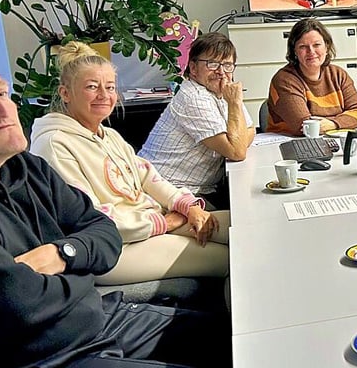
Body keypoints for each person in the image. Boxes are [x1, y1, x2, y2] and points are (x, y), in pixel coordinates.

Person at [0, 61, 232, 368]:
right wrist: (82, 267)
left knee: (230, 340)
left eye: (2, 92)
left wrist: (63, 253)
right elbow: (19, 304)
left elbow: (103, 231)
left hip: (95, 319)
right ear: (65, 94)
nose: (1, 108)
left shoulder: (28, 169)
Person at [29, 43, 230, 287]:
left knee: (241, 228)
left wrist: (188, 207)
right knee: (231, 259)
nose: (104, 95)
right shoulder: (54, 144)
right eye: (92, 87)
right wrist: (163, 223)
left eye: (110, 87)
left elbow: (148, 177)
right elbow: (88, 217)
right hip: (111, 247)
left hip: (146, 225)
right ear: (65, 93)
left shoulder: (109, 136)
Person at [139, 32, 255, 210]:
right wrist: (235, 104)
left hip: (198, 188)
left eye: (227, 65)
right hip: (166, 191)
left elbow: (250, 129)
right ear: (193, 68)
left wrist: (236, 138)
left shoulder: (222, 91)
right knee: (244, 215)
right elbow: (237, 152)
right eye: (212, 64)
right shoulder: (193, 96)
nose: (221, 72)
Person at [265, 17, 357, 135]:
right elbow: (305, 127)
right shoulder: (284, 80)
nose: (311, 52)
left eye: (317, 45)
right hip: (290, 141)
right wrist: (345, 120)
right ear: (294, 51)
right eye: (303, 46)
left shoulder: (339, 75)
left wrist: (333, 124)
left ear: (327, 47)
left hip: (332, 138)